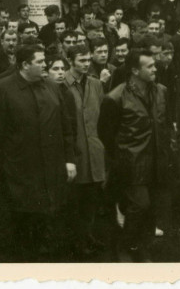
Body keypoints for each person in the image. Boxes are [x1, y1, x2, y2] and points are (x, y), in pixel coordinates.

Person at [0, 44, 76, 261]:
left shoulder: (52, 87)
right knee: (21, 222)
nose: (45, 65)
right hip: (19, 170)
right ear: (25, 65)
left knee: (47, 220)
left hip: (50, 169)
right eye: (40, 62)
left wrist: (70, 160)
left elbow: (66, 127)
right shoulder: (3, 89)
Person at [99, 49, 171, 262]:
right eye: (149, 66)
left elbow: (164, 125)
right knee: (140, 205)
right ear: (134, 70)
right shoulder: (115, 98)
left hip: (156, 162)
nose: (154, 69)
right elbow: (106, 134)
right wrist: (123, 157)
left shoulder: (161, 92)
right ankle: (125, 246)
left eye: (154, 65)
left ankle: (141, 247)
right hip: (131, 165)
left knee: (151, 209)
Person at [64, 45, 106, 256]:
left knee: (91, 198)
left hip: (95, 151)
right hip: (75, 152)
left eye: (88, 60)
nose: (86, 64)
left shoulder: (96, 85)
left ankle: (87, 235)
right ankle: (76, 241)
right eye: (81, 60)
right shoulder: (61, 85)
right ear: (70, 61)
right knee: (74, 201)